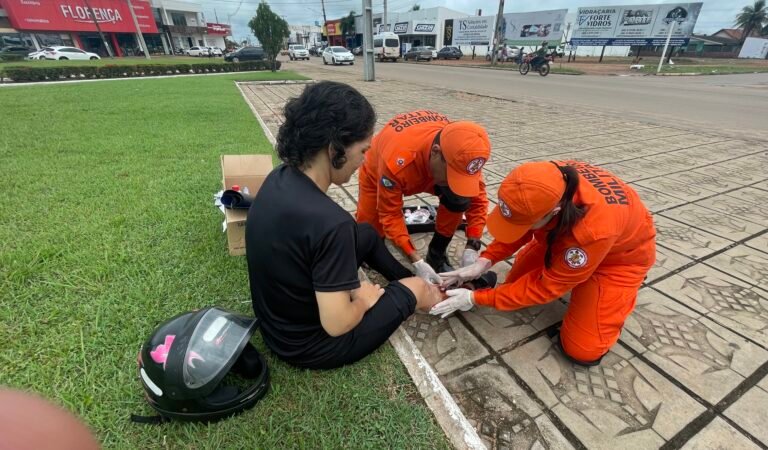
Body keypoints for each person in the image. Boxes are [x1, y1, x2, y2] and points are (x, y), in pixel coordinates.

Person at [246, 81, 440, 370]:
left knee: (366, 232)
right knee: (418, 289)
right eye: (362, 150)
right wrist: (362, 300)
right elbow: (336, 325)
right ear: (334, 147)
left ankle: (403, 276)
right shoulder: (330, 223)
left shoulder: (281, 176)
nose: (364, 161)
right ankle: (442, 297)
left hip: (277, 323)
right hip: (311, 346)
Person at [431, 161, 656, 366]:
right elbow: (519, 224)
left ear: (555, 211)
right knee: (514, 285)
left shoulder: (591, 232)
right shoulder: (545, 180)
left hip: (618, 261)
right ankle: (573, 273)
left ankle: (612, 289)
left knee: (582, 350)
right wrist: (484, 261)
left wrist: (475, 297)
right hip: (564, 237)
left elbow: (545, 288)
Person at [355, 110, 492, 284]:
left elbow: (478, 201)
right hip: (377, 170)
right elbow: (390, 214)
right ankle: (373, 254)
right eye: (452, 176)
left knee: (459, 199)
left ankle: (436, 255)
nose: (454, 183)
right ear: (436, 152)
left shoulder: (463, 152)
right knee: (369, 229)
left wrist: (472, 245)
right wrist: (415, 260)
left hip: (430, 168)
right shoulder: (397, 162)